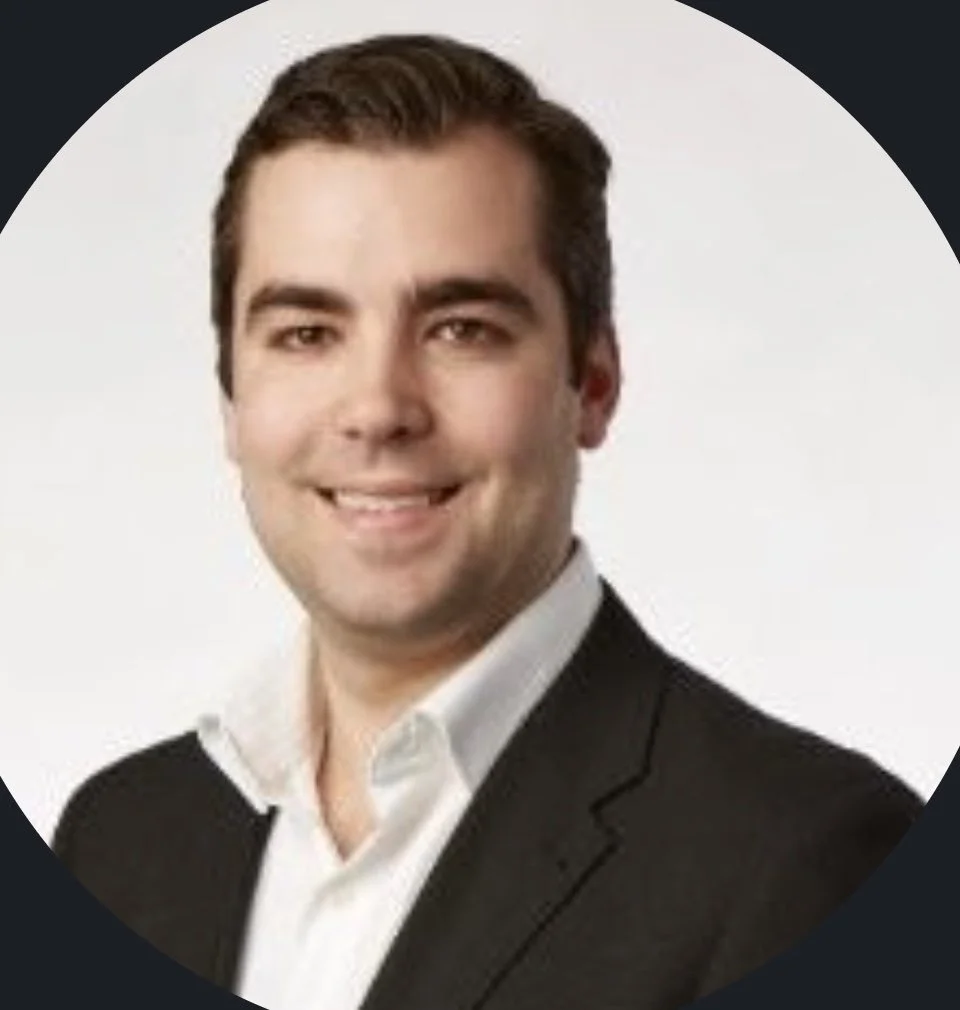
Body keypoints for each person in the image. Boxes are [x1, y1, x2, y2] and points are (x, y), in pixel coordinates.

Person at [52, 33, 922, 1010]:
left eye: (461, 328)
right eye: (306, 332)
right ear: (231, 400)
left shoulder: (810, 861)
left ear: (591, 382)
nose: (378, 407)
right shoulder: (118, 842)